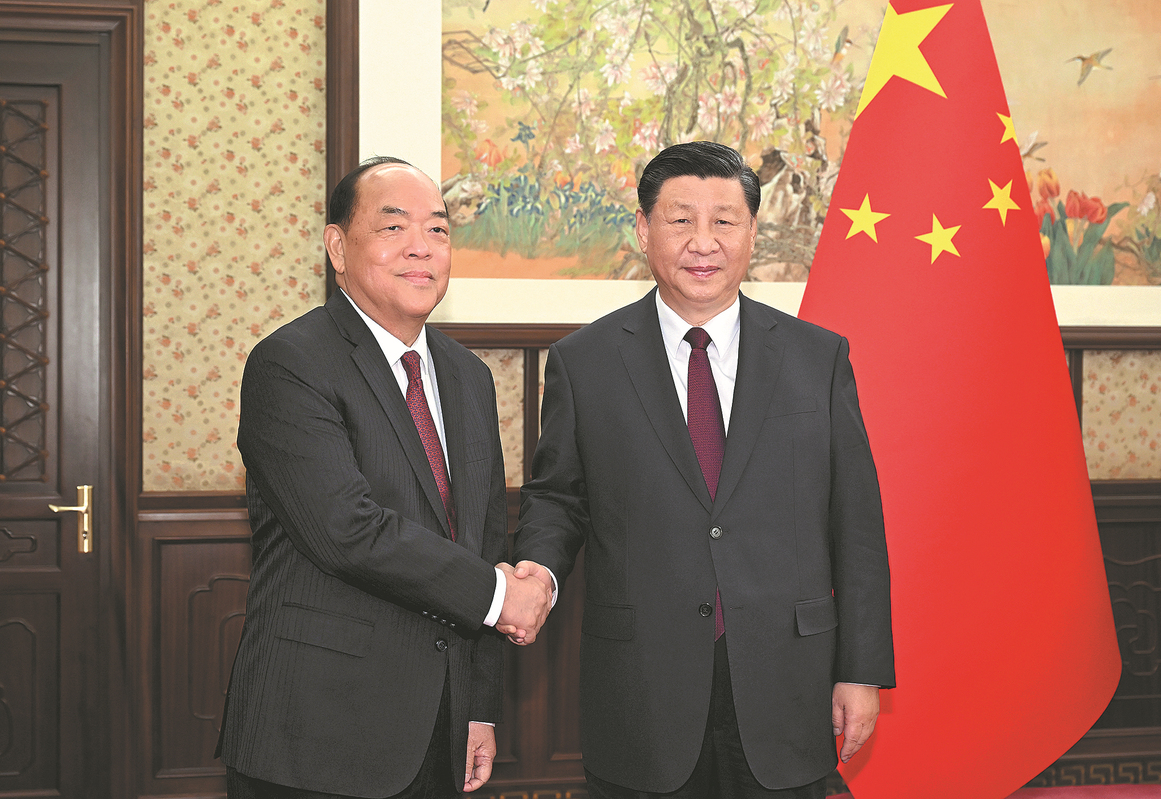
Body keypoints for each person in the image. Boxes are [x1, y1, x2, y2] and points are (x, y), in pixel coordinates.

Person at [510, 141, 895, 798]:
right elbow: (558, 500)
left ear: (753, 231)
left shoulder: (817, 358)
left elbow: (855, 524)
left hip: (787, 681)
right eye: (681, 219)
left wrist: (861, 669)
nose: (703, 242)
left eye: (724, 220)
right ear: (643, 229)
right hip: (641, 686)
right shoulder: (585, 361)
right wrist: (538, 572)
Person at [216, 156, 553, 799]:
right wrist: (498, 595)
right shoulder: (290, 364)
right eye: (394, 227)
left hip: (440, 728)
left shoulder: (468, 376)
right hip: (315, 733)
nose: (421, 247)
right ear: (337, 247)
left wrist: (479, 708)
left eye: (438, 230)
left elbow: (484, 542)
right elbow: (346, 530)